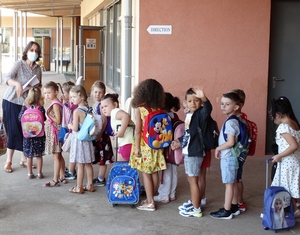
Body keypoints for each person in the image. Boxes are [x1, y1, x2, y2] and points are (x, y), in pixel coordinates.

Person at [2, 41, 42, 173]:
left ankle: (24, 159)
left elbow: (39, 85)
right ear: (26, 51)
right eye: (31, 50)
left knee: (26, 130)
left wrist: (33, 88)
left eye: (36, 51)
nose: (34, 53)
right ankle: (8, 161)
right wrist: (17, 84)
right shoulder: (19, 64)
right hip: (12, 101)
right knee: (13, 131)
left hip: (27, 104)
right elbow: (6, 78)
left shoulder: (38, 68)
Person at [172, 87, 212, 218]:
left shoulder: (201, 114)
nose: (193, 103)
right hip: (188, 151)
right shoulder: (189, 115)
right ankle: (196, 202)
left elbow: (208, 109)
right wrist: (178, 141)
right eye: (190, 101)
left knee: (194, 180)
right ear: (185, 102)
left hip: (195, 152)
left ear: (200, 102)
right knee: (191, 179)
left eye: (196, 100)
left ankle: (196, 209)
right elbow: (189, 134)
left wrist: (204, 98)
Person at [130, 78, 167, 211]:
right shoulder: (159, 107)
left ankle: (150, 202)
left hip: (145, 145)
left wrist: (137, 148)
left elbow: (138, 130)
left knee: (146, 173)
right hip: (156, 145)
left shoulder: (140, 108)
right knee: (154, 172)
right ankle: (152, 196)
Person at [210, 91, 242, 219]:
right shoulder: (234, 120)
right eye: (222, 103)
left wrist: (218, 148)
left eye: (227, 104)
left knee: (228, 184)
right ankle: (234, 206)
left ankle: (227, 210)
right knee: (232, 182)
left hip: (228, 157)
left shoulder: (230, 122)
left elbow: (230, 142)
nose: (223, 106)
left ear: (236, 107)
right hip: (232, 157)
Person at [270, 96, 300, 217]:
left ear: (278, 115)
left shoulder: (283, 127)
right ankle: (296, 208)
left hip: (288, 162)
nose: (272, 119)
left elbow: (293, 146)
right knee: (293, 185)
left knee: (286, 187)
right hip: (295, 160)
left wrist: (278, 156)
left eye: (272, 116)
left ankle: (295, 211)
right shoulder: (295, 124)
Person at [68, 85, 95, 194]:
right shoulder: (89, 109)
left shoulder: (77, 111)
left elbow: (75, 128)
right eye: (71, 97)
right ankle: (90, 184)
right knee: (88, 163)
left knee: (80, 164)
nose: (72, 99)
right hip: (87, 140)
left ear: (82, 96)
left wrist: (69, 125)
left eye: (74, 97)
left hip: (79, 140)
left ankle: (79, 186)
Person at [154, 92, 181, 203]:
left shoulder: (163, 117)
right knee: (174, 171)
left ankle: (164, 195)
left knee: (166, 172)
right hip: (175, 149)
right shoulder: (175, 115)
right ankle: (172, 193)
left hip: (167, 149)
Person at [18, 87, 46, 179]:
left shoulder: (25, 106)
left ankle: (30, 173)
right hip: (39, 135)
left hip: (28, 135)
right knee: (39, 155)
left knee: (29, 155)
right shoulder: (40, 108)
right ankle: (39, 173)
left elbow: (20, 118)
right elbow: (44, 119)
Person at [43, 81, 66, 187]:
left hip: (55, 134)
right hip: (54, 133)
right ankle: (62, 176)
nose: (46, 95)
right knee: (59, 155)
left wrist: (48, 115)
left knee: (56, 156)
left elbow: (58, 120)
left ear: (56, 92)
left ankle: (55, 179)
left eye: (49, 92)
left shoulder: (55, 104)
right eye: (45, 93)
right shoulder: (55, 103)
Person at [90, 81, 114, 187]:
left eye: (100, 92)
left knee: (103, 157)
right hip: (98, 134)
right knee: (100, 156)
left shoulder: (101, 105)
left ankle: (101, 178)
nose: (97, 94)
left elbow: (104, 120)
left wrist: (99, 135)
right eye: (95, 92)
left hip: (102, 136)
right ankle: (100, 177)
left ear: (104, 93)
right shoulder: (95, 104)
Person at [101, 93, 134, 162]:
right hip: (125, 143)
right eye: (102, 107)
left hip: (126, 143)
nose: (104, 109)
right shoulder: (114, 114)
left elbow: (126, 116)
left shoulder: (114, 111)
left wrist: (121, 132)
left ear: (115, 105)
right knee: (123, 167)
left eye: (106, 106)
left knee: (122, 168)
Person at [231, 88, 247, 212]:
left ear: (238, 105)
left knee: (235, 179)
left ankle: (236, 203)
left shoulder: (236, 121)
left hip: (237, 153)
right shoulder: (243, 118)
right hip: (242, 152)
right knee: (238, 178)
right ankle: (240, 201)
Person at [60, 81, 78, 180]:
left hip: (72, 130)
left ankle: (71, 171)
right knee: (70, 151)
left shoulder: (72, 104)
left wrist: (64, 103)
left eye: (64, 92)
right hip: (67, 128)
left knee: (72, 152)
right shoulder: (67, 103)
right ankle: (72, 169)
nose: (62, 94)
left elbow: (70, 108)